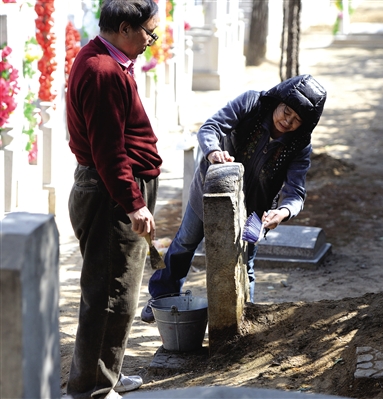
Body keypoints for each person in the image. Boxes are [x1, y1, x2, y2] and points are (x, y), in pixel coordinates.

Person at [141, 74, 327, 323]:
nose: (287, 121)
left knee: (246, 262)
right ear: (279, 100)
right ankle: (160, 297)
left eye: (296, 121)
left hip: (257, 214)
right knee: (184, 243)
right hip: (209, 195)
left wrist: (282, 212)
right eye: (286, 112)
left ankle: (244, 318)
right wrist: (214, 152)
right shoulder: (251, 103)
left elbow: (296, 192)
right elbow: (211, 128)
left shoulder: (299, 145)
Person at [66, 1, 162, 398]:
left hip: (112, 192)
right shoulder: (103, 70)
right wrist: (133, 202)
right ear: (125, 27)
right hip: (112, 196)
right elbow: (108, 149)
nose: (151, 42)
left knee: (115, 291)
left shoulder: (103, 58)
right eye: (149, 33)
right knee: (110, 297)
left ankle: (106, 375)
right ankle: (92, 390)